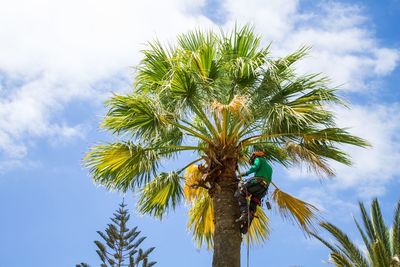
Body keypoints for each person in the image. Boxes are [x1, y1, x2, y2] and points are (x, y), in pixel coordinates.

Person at [235, 151, 272, 234]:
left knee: (241, 192)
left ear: (255, 156)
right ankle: (246, 226)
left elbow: (255, 167)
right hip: (263, 189)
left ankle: (244, 213)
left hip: (257, 182)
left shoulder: (259, 159)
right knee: (253, 203)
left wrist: (244, 173)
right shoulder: (269, 167)